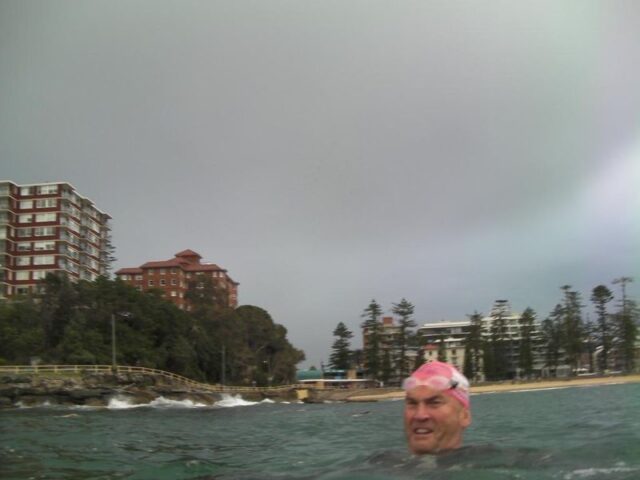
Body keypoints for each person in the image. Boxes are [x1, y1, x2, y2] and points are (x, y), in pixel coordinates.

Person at [403, 361, 472, 455]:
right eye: (412, 403)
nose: (419, 415)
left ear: (465, 416)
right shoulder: (385, 460)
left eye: (434, 403)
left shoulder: (486, 459)